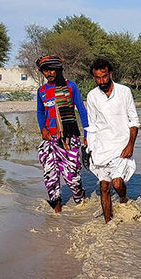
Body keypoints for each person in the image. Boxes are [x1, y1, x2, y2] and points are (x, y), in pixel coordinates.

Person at [86, 59, 139, 223]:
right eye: (97, 78)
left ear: (111, 74)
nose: (101, 81)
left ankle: (123, 199)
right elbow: (92, 125)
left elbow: (134, 121)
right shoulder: (92, 96)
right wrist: (90, 149)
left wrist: (131, 144)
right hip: (101, 147)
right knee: (104, 186)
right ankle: (108, 223)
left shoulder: (124, 92)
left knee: (117, 183)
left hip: (121, 146)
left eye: (104, 76)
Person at [36, 55, 88, 213]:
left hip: (69, 139)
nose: (49, 73)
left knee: (72, 177)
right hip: (50, 140)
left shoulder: (70, 86)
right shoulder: (42, 91)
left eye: (52, 69)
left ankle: (80, 203)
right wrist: (43, 129)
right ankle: (56, 214)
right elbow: (40, 112)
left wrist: (87, 134)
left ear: (59, 70)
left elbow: (81, 109)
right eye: (46, 70)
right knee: (50, 177)